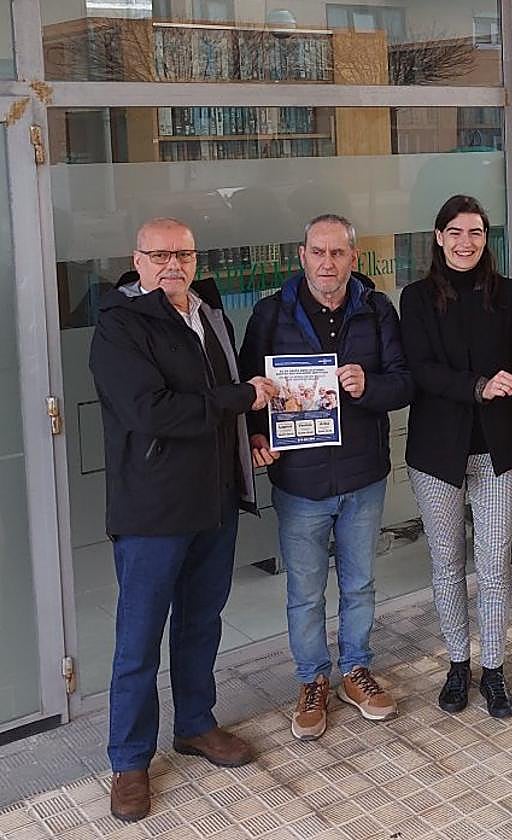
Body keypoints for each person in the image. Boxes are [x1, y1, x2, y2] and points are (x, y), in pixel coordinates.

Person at [90, 218, 277, 822]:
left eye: (184, 254)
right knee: (139, 640)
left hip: (214, 500)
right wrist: (241, 399)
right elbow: (151, 412)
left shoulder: (210, 314)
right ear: (137, 260)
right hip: (153, 510)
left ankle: (195, 724)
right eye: (160, 254)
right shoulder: (119, 326)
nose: (174, 264)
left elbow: (223, 396)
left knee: (201, 622)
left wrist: (247, 431)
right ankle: (129, 761)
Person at [240, 214, 413, 742]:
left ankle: (356, 670)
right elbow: (249, 387)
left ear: (354, 259)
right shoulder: (271, 314)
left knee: (360, 582)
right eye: (319, 252)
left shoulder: (377, 309)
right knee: (305, 590)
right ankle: (311, 679)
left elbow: (404, 384)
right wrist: (254, 435)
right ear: (302, 254)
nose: (328, 262)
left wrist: (368, 386)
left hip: (363, 475)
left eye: (338, 253)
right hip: (299, 480)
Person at [399, 195, 512, 718]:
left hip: (499, 451)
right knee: (447, 562)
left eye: (476, 232)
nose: (465, 242)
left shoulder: (507, 295)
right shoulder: (414, 299)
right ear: (439, 237)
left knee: (496, 564)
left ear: (487, 239)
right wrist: (478, 386)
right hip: (436, 454)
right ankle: (458, 664)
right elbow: (421, 371)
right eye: (455, 232)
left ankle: (496, 669)